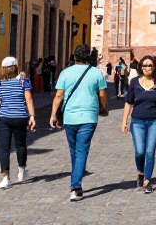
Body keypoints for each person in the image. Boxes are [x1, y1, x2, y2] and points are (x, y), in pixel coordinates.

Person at [51, 44, 109, 202]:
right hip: (89, 117)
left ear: (74, 57)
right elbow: (103, 94)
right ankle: (76, 186)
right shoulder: (96, 73)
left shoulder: (65, 73)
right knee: (82, 150)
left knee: (74, 151)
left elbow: (58, 95)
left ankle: (76, 180)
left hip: (70, 117)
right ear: (88, 57)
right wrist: (104, 109)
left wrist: (53, 115)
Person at [122, 55, 156, 194]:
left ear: (155, 67)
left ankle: (147, 181)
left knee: (150, 151)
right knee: (140, 152)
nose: (146, 68)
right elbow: (129, 102)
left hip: (155, 121)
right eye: (144, 65)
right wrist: (124, 121)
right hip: (137, 121)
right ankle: (141, 172)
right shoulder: (134, 82)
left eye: (149, 65)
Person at [0, 55, 35, 188]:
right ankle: (22, 171)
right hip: (20, 117)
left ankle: (5, 178)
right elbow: (29, 99)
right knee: (21, 145)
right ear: (15, 68)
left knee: (4, 148)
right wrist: (32, 116)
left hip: (3, 118)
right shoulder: (23, 82)